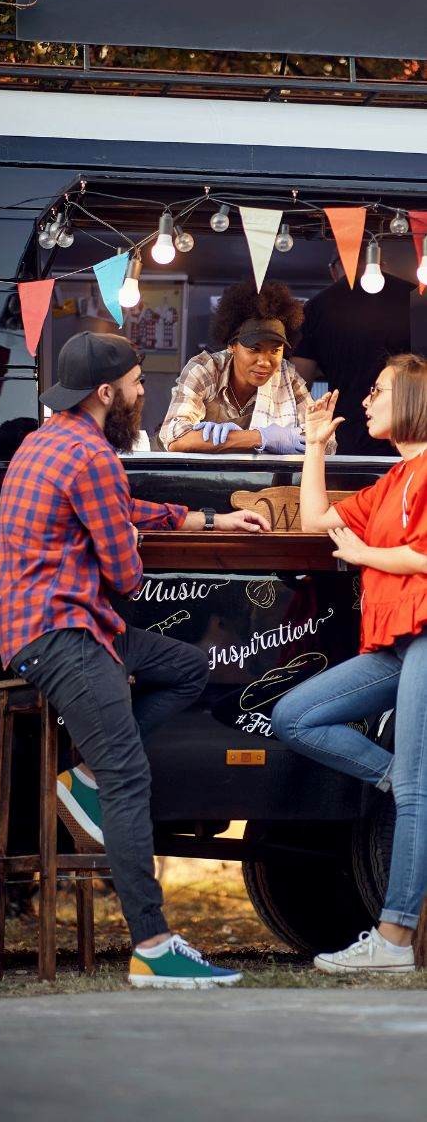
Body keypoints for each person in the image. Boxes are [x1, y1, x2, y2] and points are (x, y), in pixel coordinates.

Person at [0, 331, 270, 989]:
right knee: (130, 780)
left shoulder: (48, 440)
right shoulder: (91, 457)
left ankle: (82, 777)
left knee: (185, 666)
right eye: (139, 382)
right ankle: (151, 945)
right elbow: (122, 573)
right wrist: (127, 542)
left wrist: (205, 521)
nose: (145, 392)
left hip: (54, 624)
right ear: (106, 391)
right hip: (61, 633)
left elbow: (119, 510)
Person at [271, 353, 427, 973]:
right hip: (397, 640)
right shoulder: (392, 482)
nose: (366, 400)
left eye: (379, 390)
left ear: (414, 398)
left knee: (417, 791)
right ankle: (401, 784)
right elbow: (314, 520)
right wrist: (314, 446)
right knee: (295, 716)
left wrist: (367, 552)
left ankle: (392, 942)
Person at [160, 279, 334, 455]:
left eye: (275, 350)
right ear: (232, 346)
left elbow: (325, 441)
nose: (265, 362)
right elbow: (174, 438)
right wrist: (261, 438)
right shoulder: (205, 370)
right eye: (254, 349)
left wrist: (221, 440)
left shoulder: (286, 377)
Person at [292, 253, 413, 455]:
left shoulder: (317, 306)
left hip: (344, 434)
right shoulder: (417, 297)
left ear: (334, 269)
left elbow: (298, 385)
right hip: (409, 433)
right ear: (381, 263)